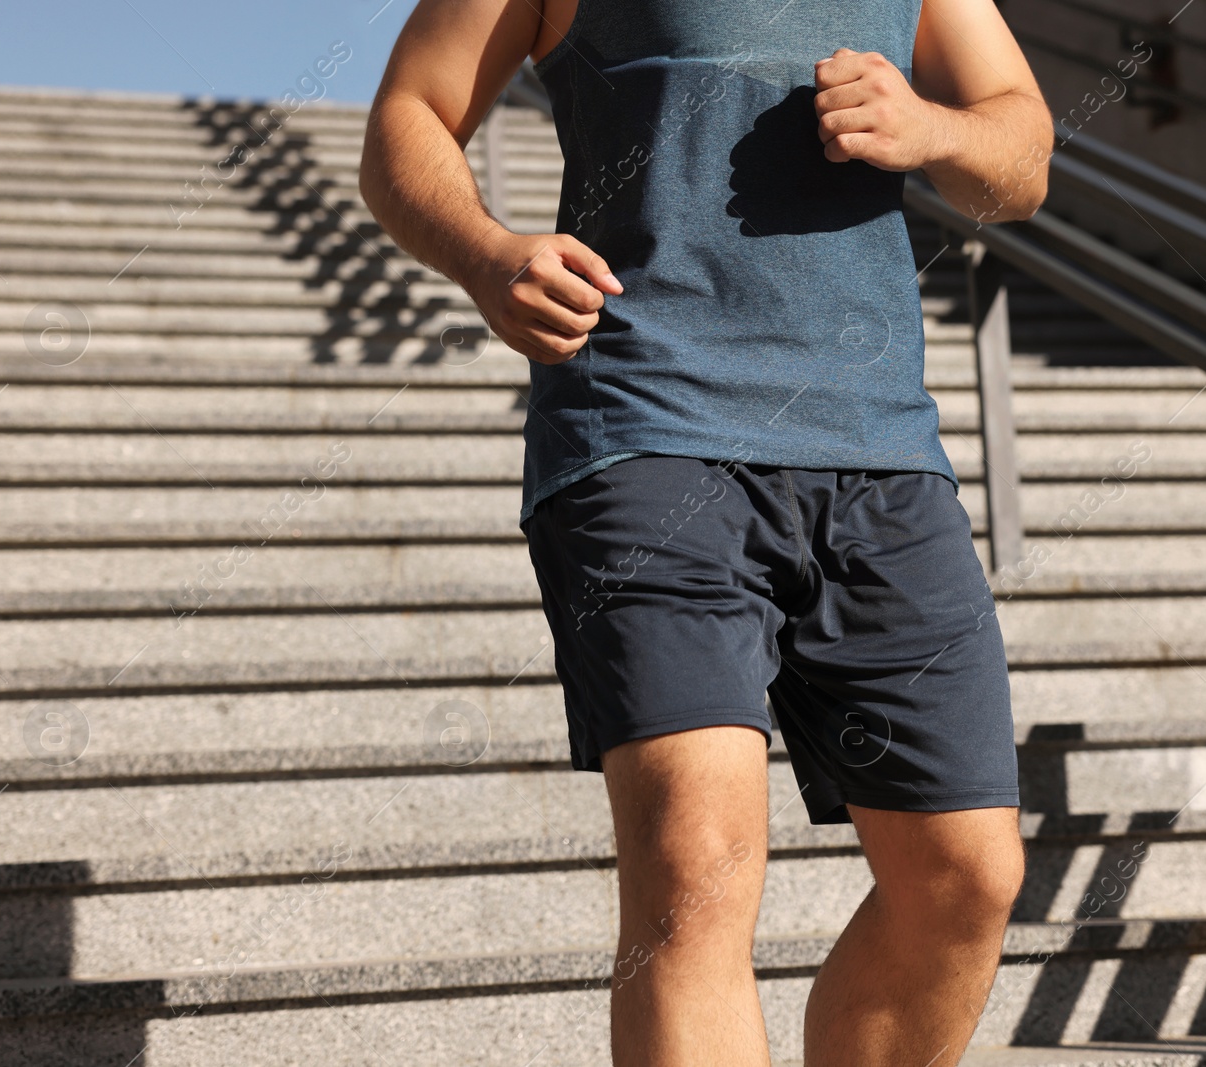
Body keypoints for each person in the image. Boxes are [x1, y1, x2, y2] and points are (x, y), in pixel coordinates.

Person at [359, 1, 1051, 1063]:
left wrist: (933, 130)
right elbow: (415, 106)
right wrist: (489, 256)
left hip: (878, 451)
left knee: (966, 876)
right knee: (694, 859)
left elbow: (1022, 151)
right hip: (646, 428)